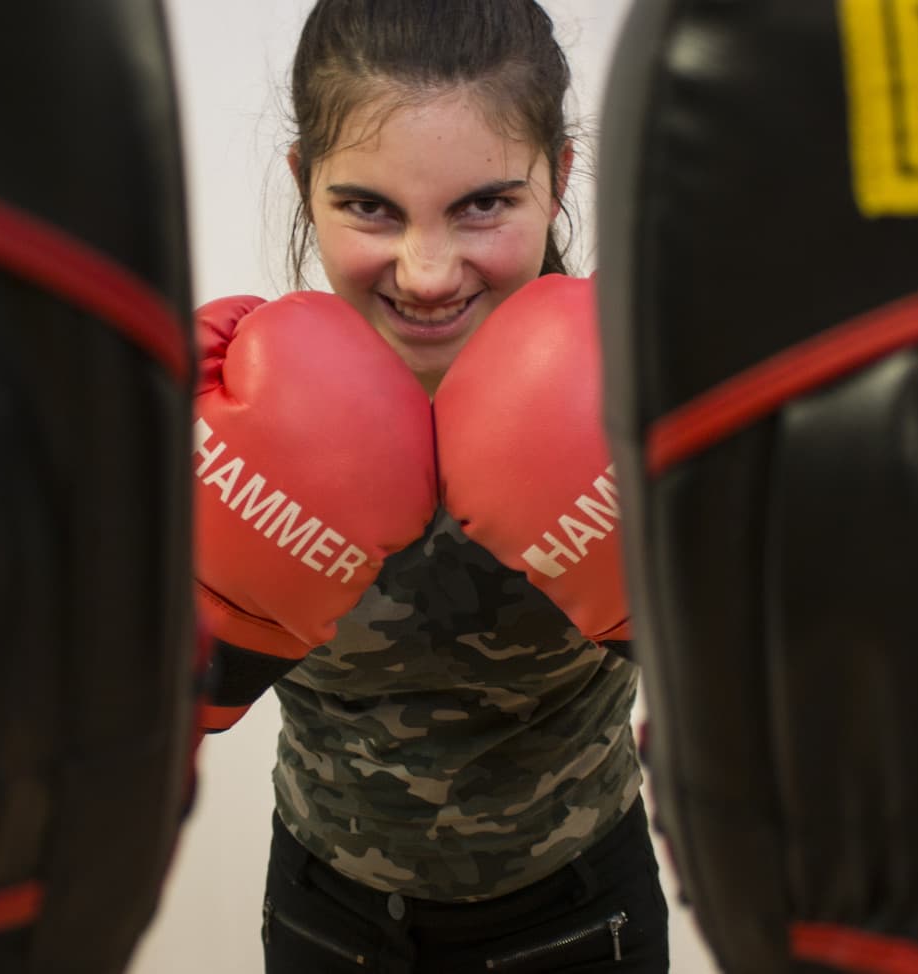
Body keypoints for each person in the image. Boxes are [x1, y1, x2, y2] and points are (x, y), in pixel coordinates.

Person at [189, 1, 670, 971]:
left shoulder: (644, 383)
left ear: (559, 178)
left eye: (482, 202)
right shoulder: (222, 415)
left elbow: (814, 691)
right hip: (327, 912)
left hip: (582, 917)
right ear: (305, 184)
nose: (428, 271)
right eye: (369, 205)